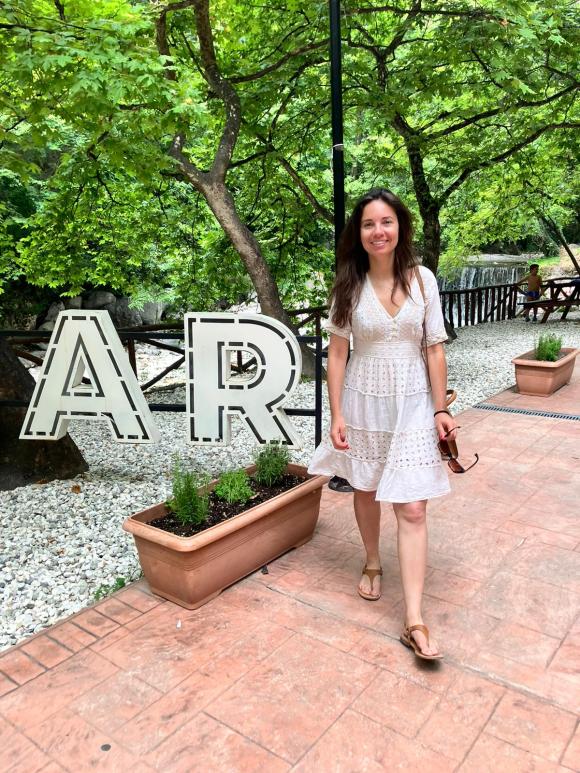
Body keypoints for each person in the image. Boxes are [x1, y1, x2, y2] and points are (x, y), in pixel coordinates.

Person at [308, 188, 456, 660]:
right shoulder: (347, 284)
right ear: (359, 232)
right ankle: (372, 560)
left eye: (386, 221)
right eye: (369, 224)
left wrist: (440, 409)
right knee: (367, 488)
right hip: (364, 401)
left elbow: (434, 347)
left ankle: (413, 618)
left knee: (412, 508)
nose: (378, 231)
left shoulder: (423, 280)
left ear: (400, 226)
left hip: (414, 402)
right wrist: (337, 413)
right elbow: (336, 354)